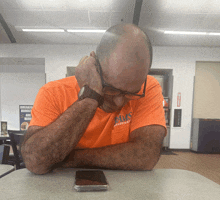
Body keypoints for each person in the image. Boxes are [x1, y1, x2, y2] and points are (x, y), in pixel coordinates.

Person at [21, 23, 167, 175]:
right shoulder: (52, 92)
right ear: (94, 66)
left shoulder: (148, 87)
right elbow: (36, 161)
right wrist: (89, 97)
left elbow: (146, 155)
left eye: (131, 93)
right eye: (111, 89)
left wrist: (65, 158)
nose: (119, 102)